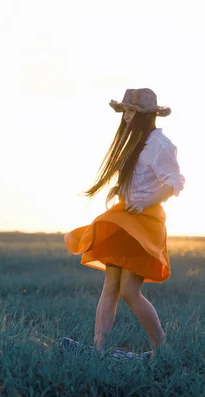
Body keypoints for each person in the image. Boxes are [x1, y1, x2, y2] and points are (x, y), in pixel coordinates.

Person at [61, 88, 185, 360]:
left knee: (129, 291)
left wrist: (146, 200)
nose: (127, 117)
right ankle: (98, 349)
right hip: (125, 217)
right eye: (126, 111)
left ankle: (162, 348)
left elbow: (174, 182)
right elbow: (139, 177)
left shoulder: (159, 143)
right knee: (111, 286)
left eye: (133, 112)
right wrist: (120, 187)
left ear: (147, 115)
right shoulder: (134, 141)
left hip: (145, 222)